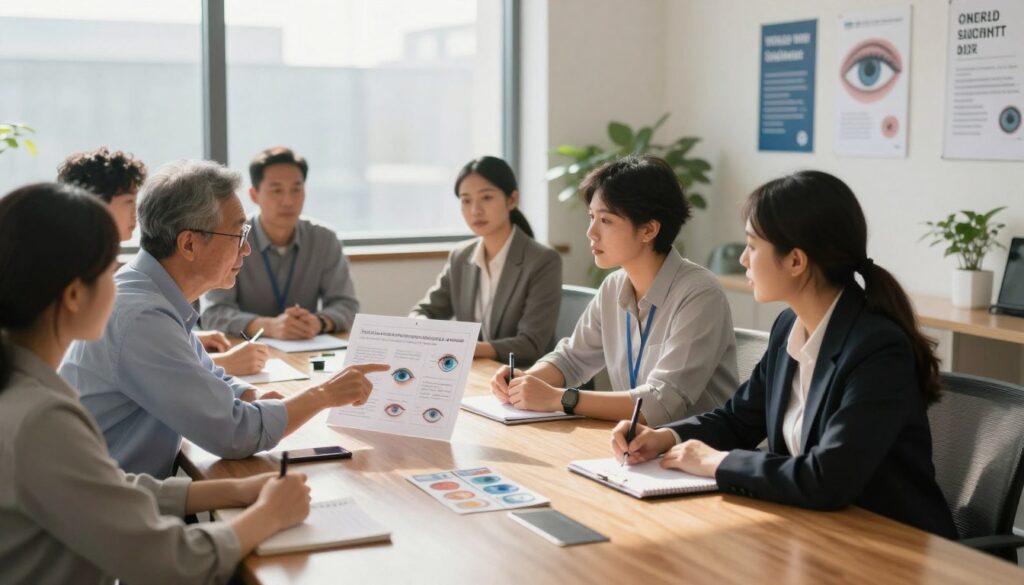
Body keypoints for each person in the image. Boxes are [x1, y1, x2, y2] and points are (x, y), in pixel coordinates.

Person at [610, 171, 957, 538]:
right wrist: (665, 436)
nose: (743, 259)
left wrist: (717, 462)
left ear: (795, 261)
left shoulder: (877, 349)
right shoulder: (788, 327)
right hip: (813, 531)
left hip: (890, 544)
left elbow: (828, 477)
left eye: (752, 246)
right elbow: (739, 419)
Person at [0, 182, 313, 584]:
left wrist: (235, 491)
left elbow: (108, 490)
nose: (120, 282)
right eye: (108, 270)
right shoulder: (41, 418)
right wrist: (270, 514)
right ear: (76, 294)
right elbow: (169, 561)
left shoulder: (24, 392)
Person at [60, 160, 388, 478]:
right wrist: (325, 394)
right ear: (189, 243)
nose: (246, 250)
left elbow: (209, 375)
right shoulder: (143, 318)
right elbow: (235, 434)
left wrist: (252, 396)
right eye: (238, 236)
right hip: (100, 518)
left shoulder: (151, 293)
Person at [491, 155, 737, 425]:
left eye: (605, 221)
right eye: (591, 217)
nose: (591, 232)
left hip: (696, 453)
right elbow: (572, 359)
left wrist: (558, 398)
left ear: (649, 230)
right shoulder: (613, 286)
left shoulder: (700, 293)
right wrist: (525, 381)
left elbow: (662, 402)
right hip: (635, 447)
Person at [57, 147, 269, 376]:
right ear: (92, 204)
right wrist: (220, 362)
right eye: (129, 201)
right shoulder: (77, 274)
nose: (136, 214)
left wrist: (185, 340)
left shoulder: (115, 270)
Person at [409, 156, 562, 364]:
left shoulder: (543, 260)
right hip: (475, 372)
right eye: (466, 200)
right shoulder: (460, 257)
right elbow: (423, 312)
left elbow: (531, 344)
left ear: (512, 200)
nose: (475, 210)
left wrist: (464, 346)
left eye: (486, 198)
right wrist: (423, 329)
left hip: (521, 378)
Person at [202, 147, 359, 340]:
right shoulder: (231, 238)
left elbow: (347, 305)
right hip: (245, 350)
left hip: (305, 350)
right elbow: (213, 312)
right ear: (254, 195)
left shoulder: (324, 239)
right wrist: (267, 326)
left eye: (296, 189)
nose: (288, 201)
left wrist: (319, 322)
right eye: (276, 190)